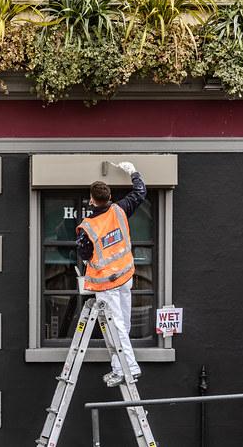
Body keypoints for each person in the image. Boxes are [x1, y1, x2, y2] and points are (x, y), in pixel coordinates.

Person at [76, 161, 146, 388]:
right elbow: (140, 192)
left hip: (106, 283)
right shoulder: (119, 210)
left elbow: (84, 253)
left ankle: (130, 368)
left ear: (92, 200)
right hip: (125, 276)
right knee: (122, 325)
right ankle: (119, 368)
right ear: (109, 197)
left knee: (116, 327)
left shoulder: (88, 226)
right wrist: (133, 172)